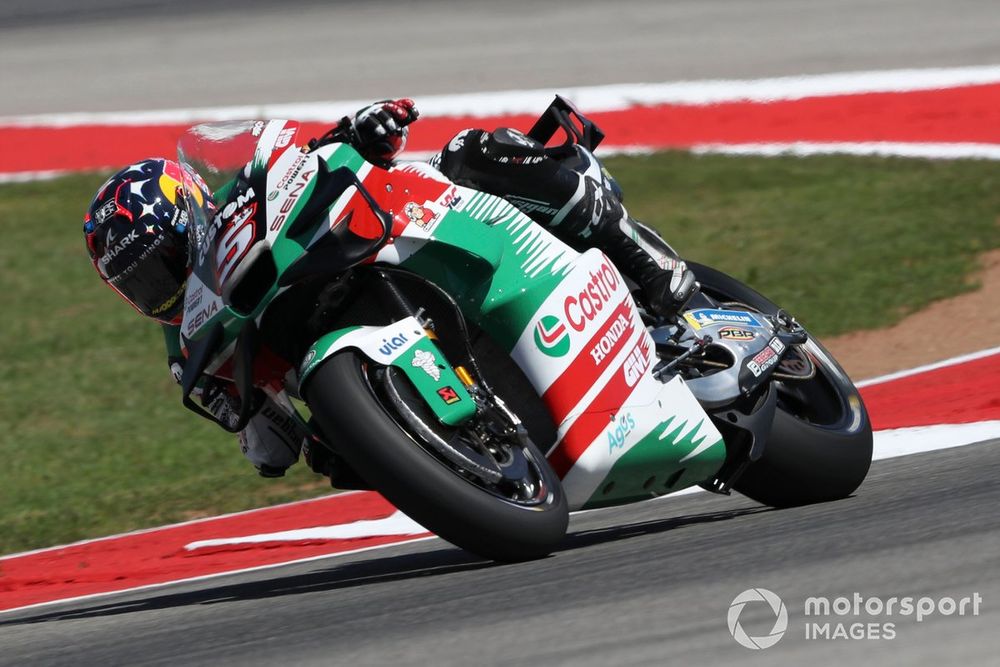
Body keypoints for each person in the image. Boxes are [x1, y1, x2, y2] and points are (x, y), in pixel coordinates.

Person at [83, 98, 696, 480]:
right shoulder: (184, 343)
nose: (157, 284)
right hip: (332, 358)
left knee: (469, 152)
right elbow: (268, 448)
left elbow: (300, 160)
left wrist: (357, 130)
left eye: (160, 260)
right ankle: (459, 450)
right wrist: (293, 431)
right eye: (138, 282)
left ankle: (642, 260)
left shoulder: (235, 202)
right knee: (337, 457)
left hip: (403, 232)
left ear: (189, 212)